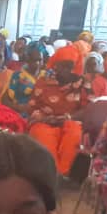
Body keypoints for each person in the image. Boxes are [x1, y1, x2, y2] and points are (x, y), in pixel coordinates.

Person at [29, 45, 89, 175]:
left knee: (75, 133)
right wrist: (44, 118)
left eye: (69, 66)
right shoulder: (43, 82)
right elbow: (33, 106)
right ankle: (52, 174)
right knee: (42, 134)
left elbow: (87, 109)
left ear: (77, 66)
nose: (64, 70)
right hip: (45, 121)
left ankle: (64, 173)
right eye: (61, 65)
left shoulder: (83, 84)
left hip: (71, 120)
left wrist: (68, 118)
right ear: (55, 65)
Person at [5, 43, 49, 118]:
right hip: (21, 114)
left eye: (40, 60)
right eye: (34, 60)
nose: (37, 63)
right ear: (28, 60)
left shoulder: (47, 76)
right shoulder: (18, 76)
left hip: (42, 116)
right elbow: (5, 99)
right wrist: (18, 107)